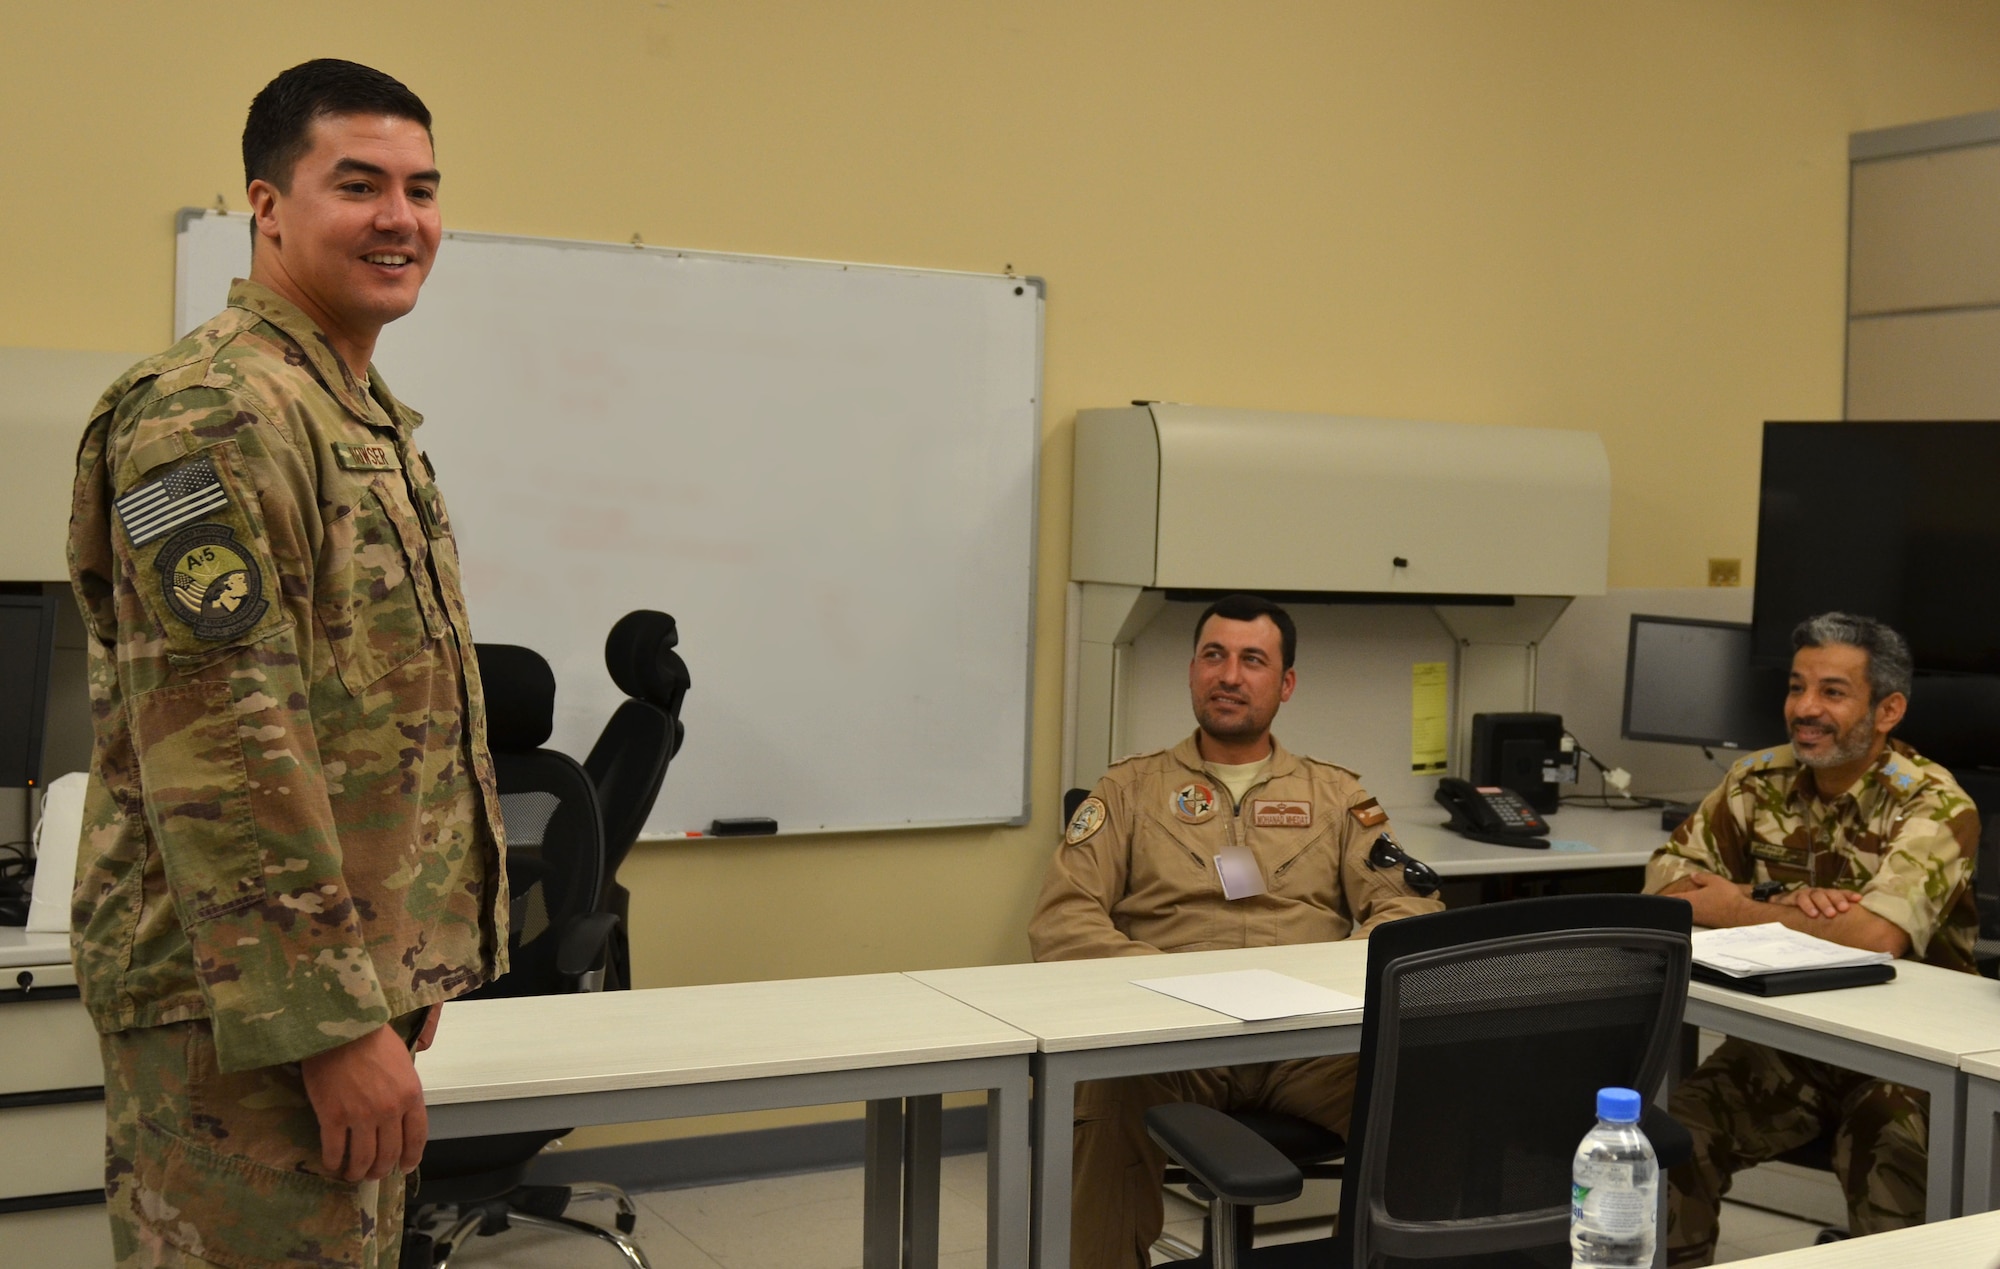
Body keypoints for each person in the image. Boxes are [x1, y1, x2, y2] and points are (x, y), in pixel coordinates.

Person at [66, 60, 507, 1268]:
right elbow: (223, 749)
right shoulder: (215, 412)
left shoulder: (345, 410)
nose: (400, 218)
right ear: (267, 206)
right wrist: (326, 1025)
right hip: (248, 1012)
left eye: (421, 188)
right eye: (357, 184)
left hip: (329, 988)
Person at [1030, 593, 1444, 1269]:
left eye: (1253, 660)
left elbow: (1411, 909)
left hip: (1308, 1041)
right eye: (1213, 656)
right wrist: (1168, 981)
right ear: (1192, 671)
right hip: (1171, 1041)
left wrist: (1331, 978)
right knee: (1104, 1092)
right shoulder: (1128, 790)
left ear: (1284, 684)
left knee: (1427, 1085)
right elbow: (1062, 919)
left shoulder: (1336, 796)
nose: (1229, 674)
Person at [1645, 612, 1979, 1264]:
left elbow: (1877, 934)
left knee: (1892, 1157)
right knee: (1667, 1141)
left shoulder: (1935, 804)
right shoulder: (1755, 780)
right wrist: (1775, 901)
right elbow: (1664, 888)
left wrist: (1736, 905)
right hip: (1789, 1047)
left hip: (1906, 1060)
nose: (1805, 708)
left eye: (1831, 691)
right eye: (1797, 687)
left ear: (1888, 709)